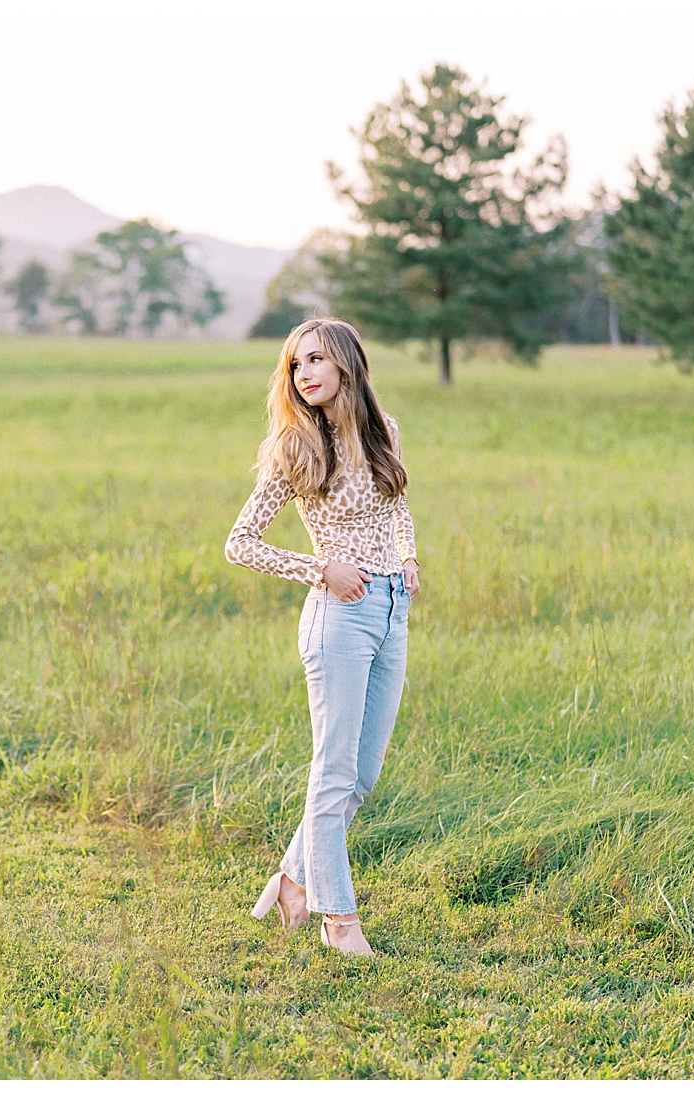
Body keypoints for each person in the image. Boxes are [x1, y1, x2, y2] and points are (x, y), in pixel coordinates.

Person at [225, 317, 419, 956]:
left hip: (392, 610)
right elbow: (240, 543)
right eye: (294, 365)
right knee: (333, 772)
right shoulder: (296, 447)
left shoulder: (380, 429)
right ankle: (339, 920)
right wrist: (320, 568)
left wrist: (408, 556)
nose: (302, 374)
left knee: (360, 776)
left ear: (346, 364)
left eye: (314, 361)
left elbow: (396, 503)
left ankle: (290, 883)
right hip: (338, 616)